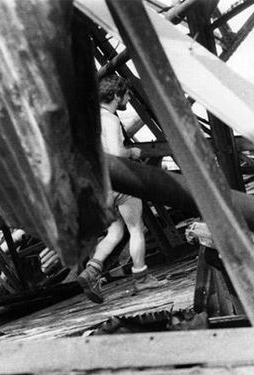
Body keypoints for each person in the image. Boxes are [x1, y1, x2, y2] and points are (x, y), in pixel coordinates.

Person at [77, 74, 167, 303]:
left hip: (99, 185)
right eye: (126, 94)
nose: (127, 98)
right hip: (118, 182)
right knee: (137, 229)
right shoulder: (110, 118)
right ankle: (142, 278)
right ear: (116, 95)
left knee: (115, 232)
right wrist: (132, 153)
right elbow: (116, 153)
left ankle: (91, 272)